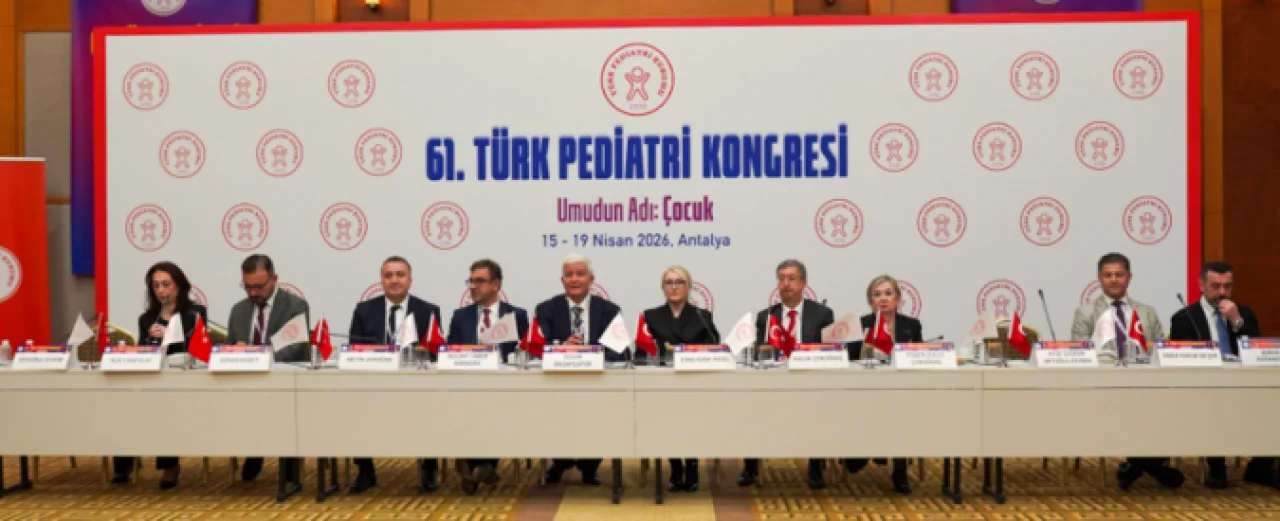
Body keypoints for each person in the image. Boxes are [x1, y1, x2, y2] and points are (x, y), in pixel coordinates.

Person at [1070, 252, 1181, 490]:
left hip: (1146, 385)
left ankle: (1135, 466)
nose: (1113, 280)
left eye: (1119, 274)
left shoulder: (1147, 312)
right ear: (1099, 278)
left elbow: (1160, 349)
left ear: (1129, 277)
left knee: (1165, 406)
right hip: (1104, 386)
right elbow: (1081, 353)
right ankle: (1152, 467)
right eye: (1108, 275)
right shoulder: (1086, 312)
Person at [1169, 261, 1273, 489]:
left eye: (1227, 286)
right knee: (1212, 401)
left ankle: (1261, 466)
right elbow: (1181, 360)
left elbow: (1257, 349)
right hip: (1204, 387)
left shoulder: (1244, 314)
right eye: (1215, 286)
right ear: (1201, 285)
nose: (1222, 292)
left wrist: (1237, 322)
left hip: (1244, 385)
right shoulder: (1184, 318)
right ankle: (1216, 467)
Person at [347, 256, 441, 494]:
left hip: (416, 386)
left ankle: (429, 468)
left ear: (410, 280)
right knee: (355, 402)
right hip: (373, 384)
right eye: (388, 275)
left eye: (400, 275)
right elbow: (354, 350)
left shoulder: (428, 311)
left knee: (431, 403)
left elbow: (436, 353)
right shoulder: (364, 310)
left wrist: (421, 353)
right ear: (381, 280)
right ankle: (365, 470)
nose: (394, 280)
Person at [111, 261, 207, 490]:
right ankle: (124, 465)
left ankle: (169, 467)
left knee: (165, 406)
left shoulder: (194, 314)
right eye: (156, 286)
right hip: (151, 379)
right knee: (122, 403)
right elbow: (143, 350)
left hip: (181, 382)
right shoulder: (147, 318)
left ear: (179, 286)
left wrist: (170, 334)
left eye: (166, 284)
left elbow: (198, 351)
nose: (161, 290)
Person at [741, 259, 834, 489]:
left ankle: (815, 467)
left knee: (819, 408)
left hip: (810, 383)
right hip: (772, 382)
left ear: (803, 283)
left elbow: (828, 351)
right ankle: (750, 466)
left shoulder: (822, 314)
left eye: (791, 278)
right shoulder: (765, 316)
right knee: (750, 406)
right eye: (781, 279)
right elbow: (758, 352)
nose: (786, 284)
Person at [535, 253, 622, 486]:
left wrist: (590, 355)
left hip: (597, 383)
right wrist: (561, 349)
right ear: (562, 280)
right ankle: (560, 461)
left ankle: (590, 466)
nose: (574, 279)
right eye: (569, 274)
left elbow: (620, 352)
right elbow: (537, 349)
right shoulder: (546, 309)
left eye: (580, 274)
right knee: (554, 413)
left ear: (591, 279)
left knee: (600, 414)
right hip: (558, 384)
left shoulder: (610, 310)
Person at [226, 254, 311, 485]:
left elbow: (293, 350)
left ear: (274, 279)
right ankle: (254, 449)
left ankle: (289, 462)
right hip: (245, 385)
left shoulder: (295, 306)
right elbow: (229, 348)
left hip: (283, 381)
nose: (253, 292)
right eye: (247, 287)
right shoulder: (238, 311)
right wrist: (234, 351)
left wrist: (255, 354)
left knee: (282, 404)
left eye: (259, 286)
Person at [446, 258, 528, 495]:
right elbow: (450, 352)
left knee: (495, 406)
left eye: (479, 281)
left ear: (496, 284)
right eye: (470, 281)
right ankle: (483, 466)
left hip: (504, 387)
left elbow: (525, 353)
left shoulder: (516, 315)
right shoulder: (460, 316)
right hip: (466, 385)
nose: (473, 286)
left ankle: (473, 464)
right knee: (471, 406)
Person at [642, 266, 720, 493]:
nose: (674, 287)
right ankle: (676, 467)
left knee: (692, 421)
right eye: (669, 282)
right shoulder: (651, 316)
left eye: (679, 282)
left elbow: (714, 348)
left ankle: (692, 467)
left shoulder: (702, 316)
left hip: (693, 383)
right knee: (667, 423)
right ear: (662, 288)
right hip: (663, 385)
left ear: (689, 287)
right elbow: (641, 352)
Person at [844, 275, 917, 494]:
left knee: (901, 412)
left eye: (888, 293)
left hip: (900, 390)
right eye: (877, 294)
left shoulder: (911, 326)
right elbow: (850, 360)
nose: (883, 298)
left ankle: (900, 471)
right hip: (864, 390)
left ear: (898, 299)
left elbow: (917, 357)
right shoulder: (860, 325)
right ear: (871, 301)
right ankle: (866, 450)